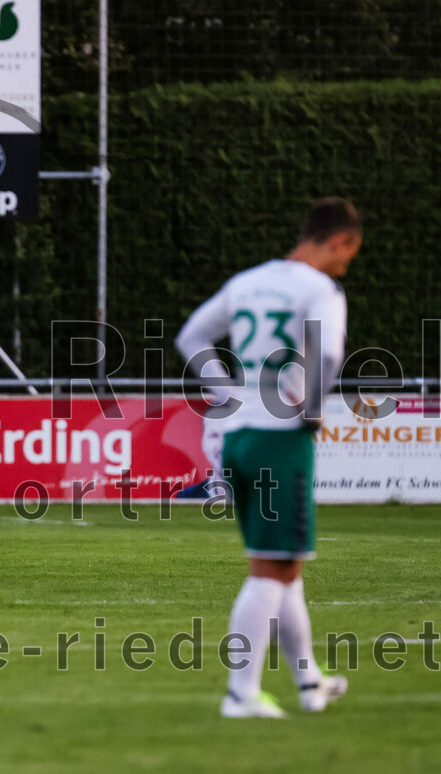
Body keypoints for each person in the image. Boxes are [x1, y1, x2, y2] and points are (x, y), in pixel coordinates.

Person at [175, 197, 360, 718]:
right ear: (340, 242)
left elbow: (191, 336)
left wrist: (232, 396)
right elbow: (326, 355)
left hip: (239, 437)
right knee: (269, 569)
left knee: (285, 566)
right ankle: (241, 694)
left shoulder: (248, 281)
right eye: (349, 255)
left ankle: (309, 682)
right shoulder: (320, 288)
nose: (347, 265)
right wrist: (311, 412)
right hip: (281, 438)